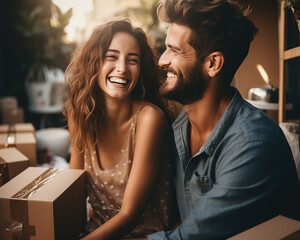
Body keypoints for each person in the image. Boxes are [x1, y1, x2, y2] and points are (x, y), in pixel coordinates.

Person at [145, 0, 300, 239]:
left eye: (174, 50)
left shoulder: (253, 146)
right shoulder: (180, 126)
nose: (162, 60)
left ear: (213, 63)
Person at [63, 19, 176, 239]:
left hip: (145, 234)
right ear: (94, 62)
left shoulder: (149, 119)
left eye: (132, 60)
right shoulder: (79, 116)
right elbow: (73, 194)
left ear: (141, 69)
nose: (122, 68)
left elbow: (129, 215)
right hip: (96, 230)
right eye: (111, 56)